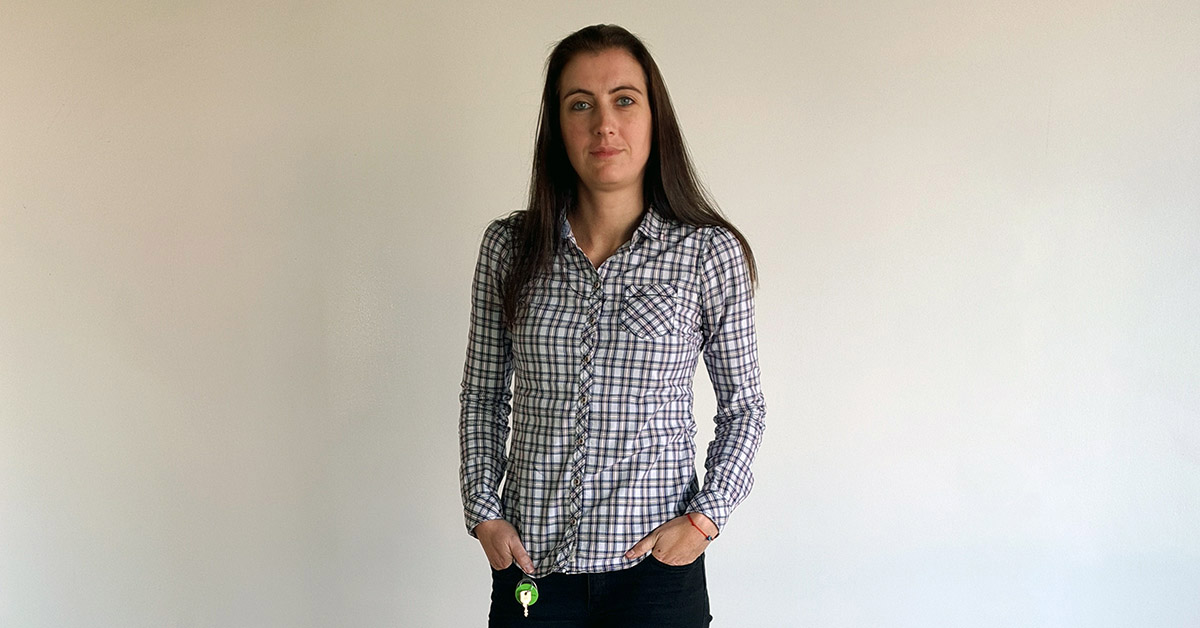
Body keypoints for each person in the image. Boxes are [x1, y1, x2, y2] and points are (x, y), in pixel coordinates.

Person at [459, 24, 766, 628]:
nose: (605, 124)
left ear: (655, 117)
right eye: (581, 104)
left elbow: (744, 408)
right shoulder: (509, 248)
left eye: (624, 99)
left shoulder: (708, 253)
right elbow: (483, 395)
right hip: (533, 571)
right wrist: (483, 513)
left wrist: (706, 519)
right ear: (557, 127)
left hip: (655, 577)